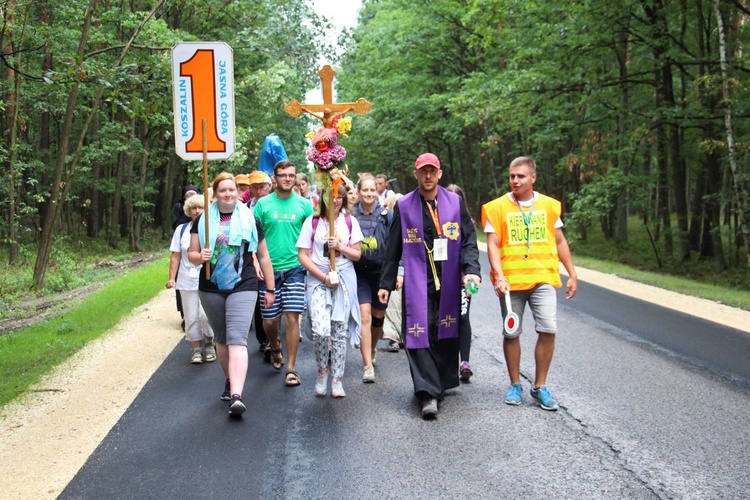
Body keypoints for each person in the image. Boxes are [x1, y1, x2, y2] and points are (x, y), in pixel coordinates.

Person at [378, 153, 481, 419]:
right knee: (416, 332)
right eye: (422, 171)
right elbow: (393, 247)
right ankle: (427, 392)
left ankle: (440, 382)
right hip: (417, 278)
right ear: (415, 174)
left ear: (439, 173)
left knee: (444, 330)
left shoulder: (454, 203)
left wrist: (471, 271)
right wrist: (386, 283)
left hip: (447, 278)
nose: (427, 176)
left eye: (432, 171)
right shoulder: (404, 205)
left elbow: (469, 240)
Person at [481, 156, 578, 411]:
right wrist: (499, 276)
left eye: (521, 176)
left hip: (542, 278)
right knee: (511, 332)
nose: (515, 180)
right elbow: (492, 244)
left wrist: (572, 274)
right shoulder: (497, 207)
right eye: (512, 176)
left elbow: (559, 241)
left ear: (533, 178)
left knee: (548, 328)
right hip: (510, 284)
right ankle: (515, 384)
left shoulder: (548, 206)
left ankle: (540, 386)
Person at [188, 172, 276, 417]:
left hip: (243, 283)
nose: (227, 194)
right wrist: (200, 257)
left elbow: (263, 256)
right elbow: (191, 254)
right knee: (222, 336)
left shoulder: (250, 219)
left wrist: (270, 288)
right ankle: (229, 380)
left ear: (238, 192)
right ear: (215, 194)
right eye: (222, 190)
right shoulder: (202, 221)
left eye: (231, 190)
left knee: (237, 337)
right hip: (211, 286)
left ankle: (237, 395)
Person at [297, 188, 363, 398]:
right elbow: (303, 255)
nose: (335, 200)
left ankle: (337, 378)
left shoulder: (350, 221)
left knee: (339, 330)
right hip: (319, 279)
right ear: (323, 198)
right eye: (331, 196)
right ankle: (321, 370)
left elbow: (357, 255)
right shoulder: (312, 222)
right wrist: (322, 276)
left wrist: (341, 247)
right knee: (321, 330)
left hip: (343, 277)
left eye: (339, 196)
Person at [254, 160, 314, 387]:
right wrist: (255, 261)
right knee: (270, 321)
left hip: (295, 268)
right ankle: (275, 346)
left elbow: (312, 237)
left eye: (291, 175)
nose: (287, 179)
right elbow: (253, 238)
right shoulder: (262, 205)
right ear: (275, 178)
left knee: (292, 317)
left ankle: (291, 368)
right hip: (268, 270)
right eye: (283, 175)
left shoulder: (304, 205)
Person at [351, 177, 393, 382]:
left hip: (381, 274)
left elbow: (396, 246)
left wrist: (399, 271)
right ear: (358, 192)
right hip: (358, 274)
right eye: (364, 190)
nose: (368, 194)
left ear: (377, 191)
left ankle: (373, 348)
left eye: (372, 190)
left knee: (378, 317)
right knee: (364, 317)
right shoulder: (350, 216)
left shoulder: (387, 215)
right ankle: (367, 366)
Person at [167, 194, 216, 364]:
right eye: (194, 208)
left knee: (205, 315)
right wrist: (171, 278)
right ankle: (196, 348)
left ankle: (210, 342)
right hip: (187, 278)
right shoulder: (181, 230)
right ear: (188, 211)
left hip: (208, 278)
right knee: (191, 316)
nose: (197, 211)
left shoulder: (212, 229)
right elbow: (175, 256)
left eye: (201, 207)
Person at [446, 183, 476, 382]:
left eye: (458, 198)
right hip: (444, 279)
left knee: (463, 317)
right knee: (448, 319)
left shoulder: (468, 223)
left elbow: (471, 250)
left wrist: (470, 281)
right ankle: (447, 363)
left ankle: (464, 362)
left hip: (464, 279)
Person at [381, 193, 404, 351]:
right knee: (391, 304)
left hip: (404, 270)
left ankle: (404, 335)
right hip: (390, 269)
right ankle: (393, 337)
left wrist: (401, 271)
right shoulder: (387, 221)